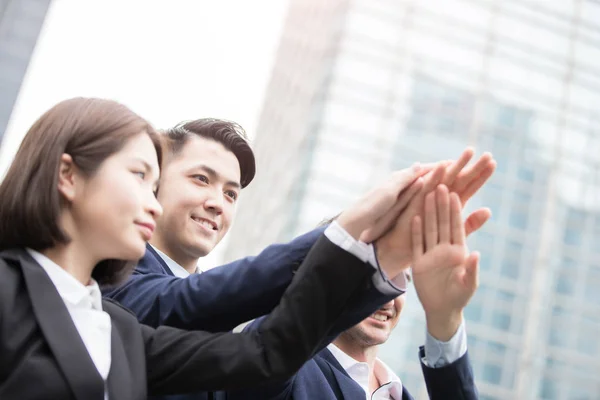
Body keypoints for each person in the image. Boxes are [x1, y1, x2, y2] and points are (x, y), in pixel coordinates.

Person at [0, 97, 440, 400]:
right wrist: (347, 230)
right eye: (140, 176)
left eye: (232, 193)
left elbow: (266, 354)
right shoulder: (20, 289)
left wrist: (383, 255)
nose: (149, 200)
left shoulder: (114, 328)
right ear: (68, 176)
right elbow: (189, 301)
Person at [104, 119, 496, 400]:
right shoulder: (106, 280)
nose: (217, 202)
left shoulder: (396, 389)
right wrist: (360, 240)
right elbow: (196, 302)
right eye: (201, 179)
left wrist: (443, 322)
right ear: (153, 185)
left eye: (232, 193)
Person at [229, 185, 480, 399]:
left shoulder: (398, 392)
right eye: (370, 276)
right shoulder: (291, 372)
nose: (386, 297)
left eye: (399, 280)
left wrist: (444, 317)